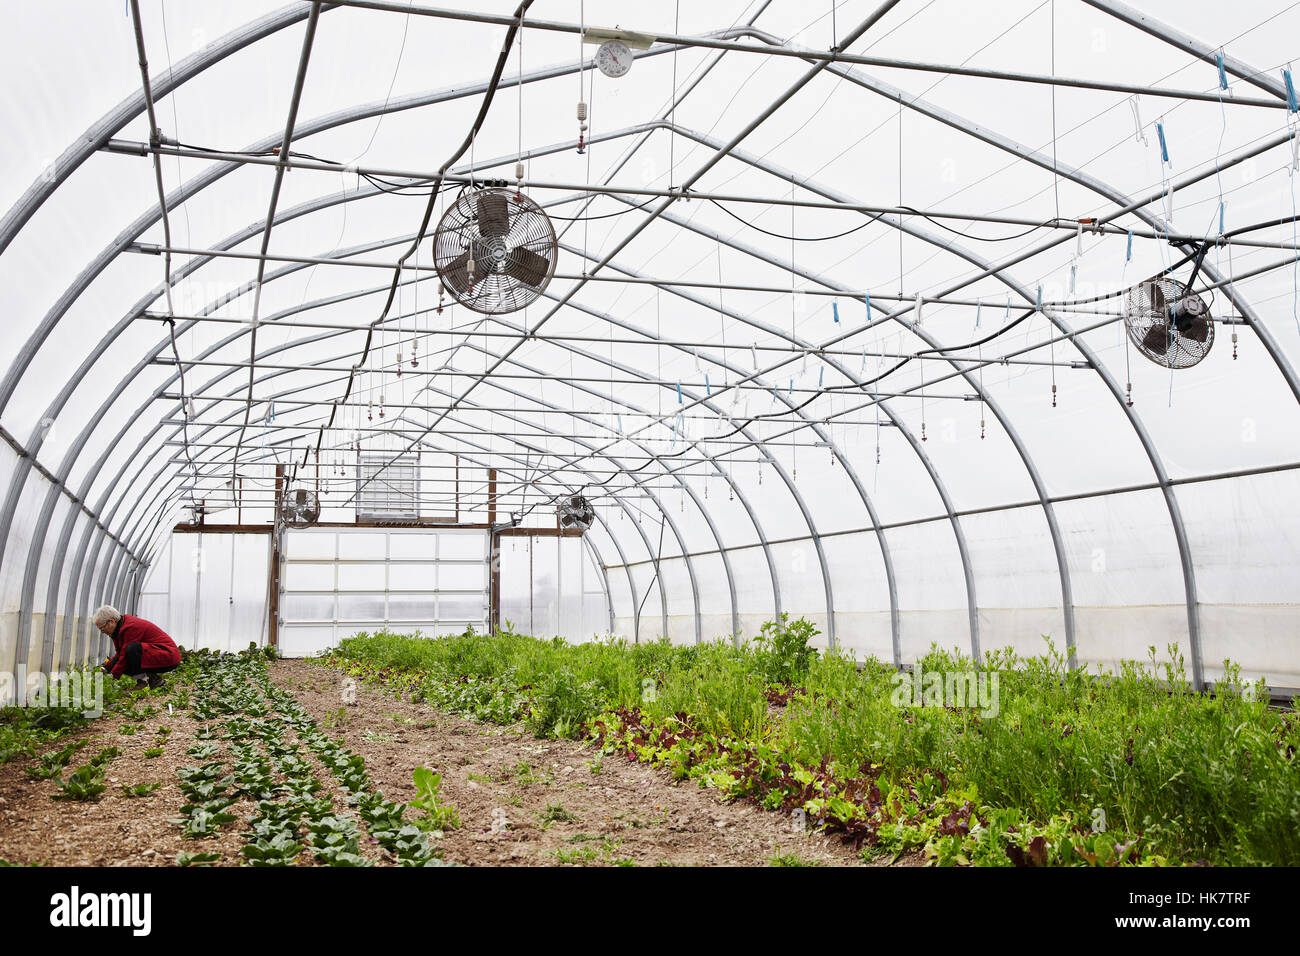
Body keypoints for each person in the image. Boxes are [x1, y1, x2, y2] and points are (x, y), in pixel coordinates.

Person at [94, 605, 182, 691]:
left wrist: (112, 677)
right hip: (158, 655)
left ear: (111, 622)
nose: (102, 632)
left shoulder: (130, 627)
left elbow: (125, 656)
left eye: (102, 628)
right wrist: (106, 668)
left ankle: (143, 682)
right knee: (126, 658)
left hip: (168, 657)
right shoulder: (118, 629)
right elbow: (120, 654)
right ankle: (155, 680)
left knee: (132, 649)